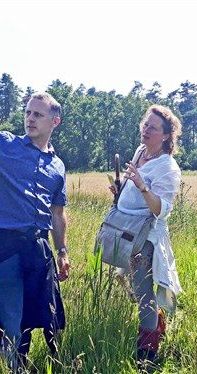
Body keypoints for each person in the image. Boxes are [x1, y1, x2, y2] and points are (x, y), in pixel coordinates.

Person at [0, 92, 70, 370]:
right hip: (5, 247)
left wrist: (63, 250)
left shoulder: (58, 166)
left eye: (37, 114)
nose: (30, 119)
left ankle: (18, 363)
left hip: (37, 252)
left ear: (55, 121)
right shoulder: (6, 145)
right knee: (13, 318)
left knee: (34, 317)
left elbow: (57, 213)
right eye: (28, 112)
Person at [112, 104, 182, 366]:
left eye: (152, 127)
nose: (145, 130)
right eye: (144, 124)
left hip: (145, 237)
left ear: (166, 135)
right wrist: (121, 189)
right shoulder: (142, 151)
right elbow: (134, 184)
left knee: (143, 293)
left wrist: (141, 186)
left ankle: (147, 354)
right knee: (133, 285)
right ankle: (156, 325)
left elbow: (161, 210)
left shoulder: (168, 167)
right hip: (125, 230)